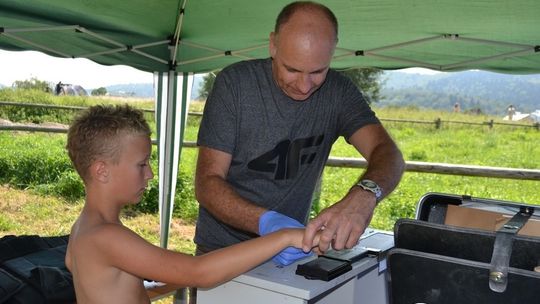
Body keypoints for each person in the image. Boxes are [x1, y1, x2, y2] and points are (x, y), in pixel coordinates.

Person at [195, 0, 404, 268]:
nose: (304, 86)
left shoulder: (339, 93)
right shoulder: (235, 85)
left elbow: (388, 154)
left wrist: (364, 195)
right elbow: (207, 183)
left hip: (292, 253)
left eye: (318, 72)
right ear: (273, 45)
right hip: (221, 253)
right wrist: (266, 223)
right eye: (292, 69)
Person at [65, 104, 318, 304]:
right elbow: (198, 272)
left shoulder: (82, 229)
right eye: (142, 164)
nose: (150, 173)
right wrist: (283, 237)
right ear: (102, 171)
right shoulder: (106, 237)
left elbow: (109, 284)